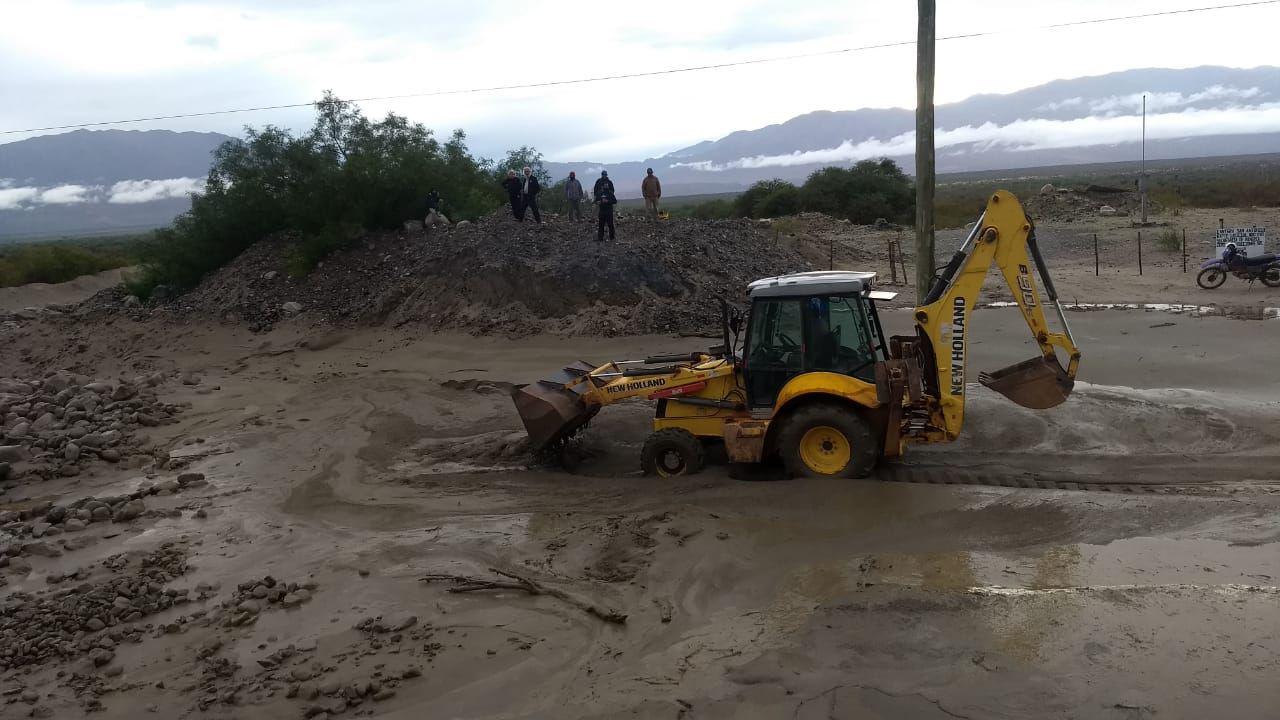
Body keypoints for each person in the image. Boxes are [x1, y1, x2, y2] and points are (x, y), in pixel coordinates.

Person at [594, 170, 617, 242]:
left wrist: (608, 201)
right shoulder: (599, 184)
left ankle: (612, 237)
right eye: (603, 174)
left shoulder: (610, 184)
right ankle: (600, 238)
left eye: (605, 175)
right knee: (601, 225)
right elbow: (595, 194)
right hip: (602, 210)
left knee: (610, 224)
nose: (606, 185)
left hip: (609, 210)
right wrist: (598, 201)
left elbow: (614, 200)